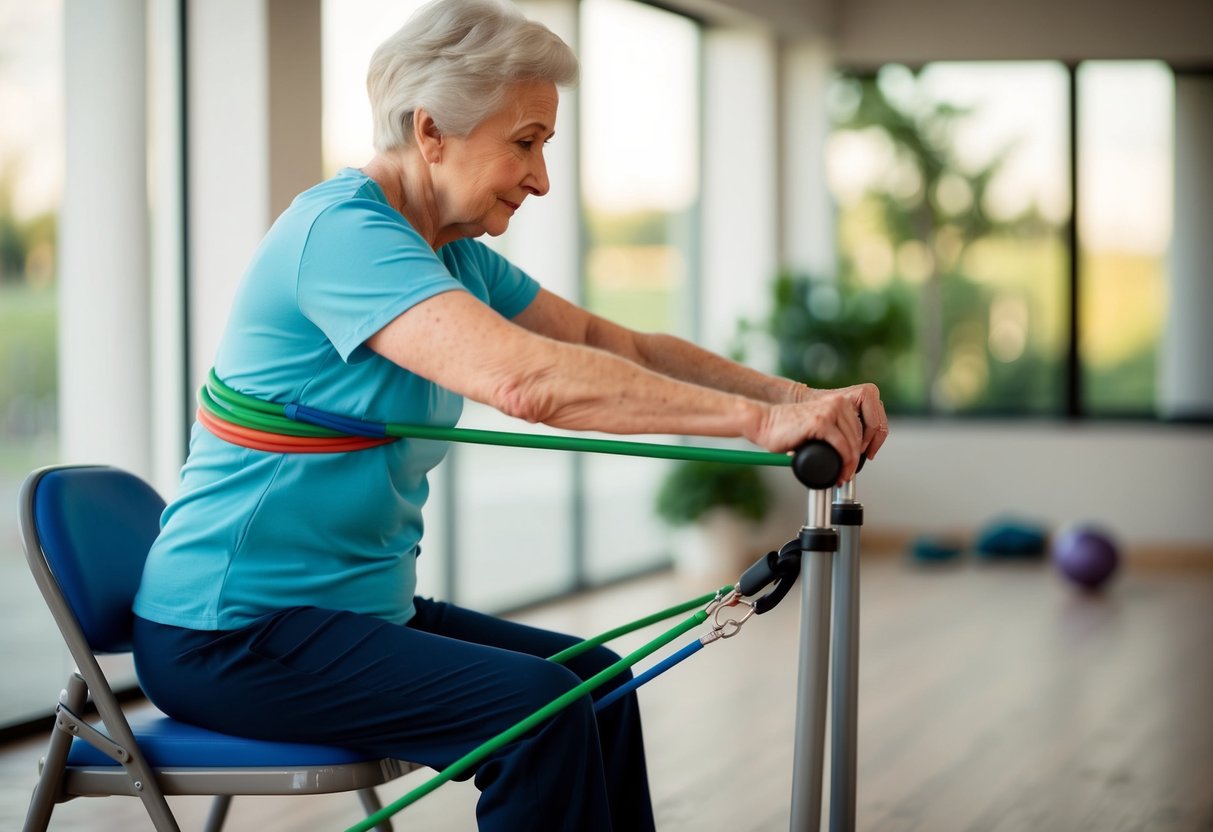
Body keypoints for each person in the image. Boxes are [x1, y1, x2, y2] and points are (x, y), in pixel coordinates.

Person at [131, 0, 889, 829]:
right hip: (228, 632)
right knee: (538, 714)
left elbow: (611, 342)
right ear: (431, 132)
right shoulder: (341, 236)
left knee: (596, 682)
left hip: (351, 612)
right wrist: (752, 427)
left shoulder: (450, 253)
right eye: (523, 143)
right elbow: (525, 381)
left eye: (544, 146)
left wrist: (789, 399)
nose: (540, 177)